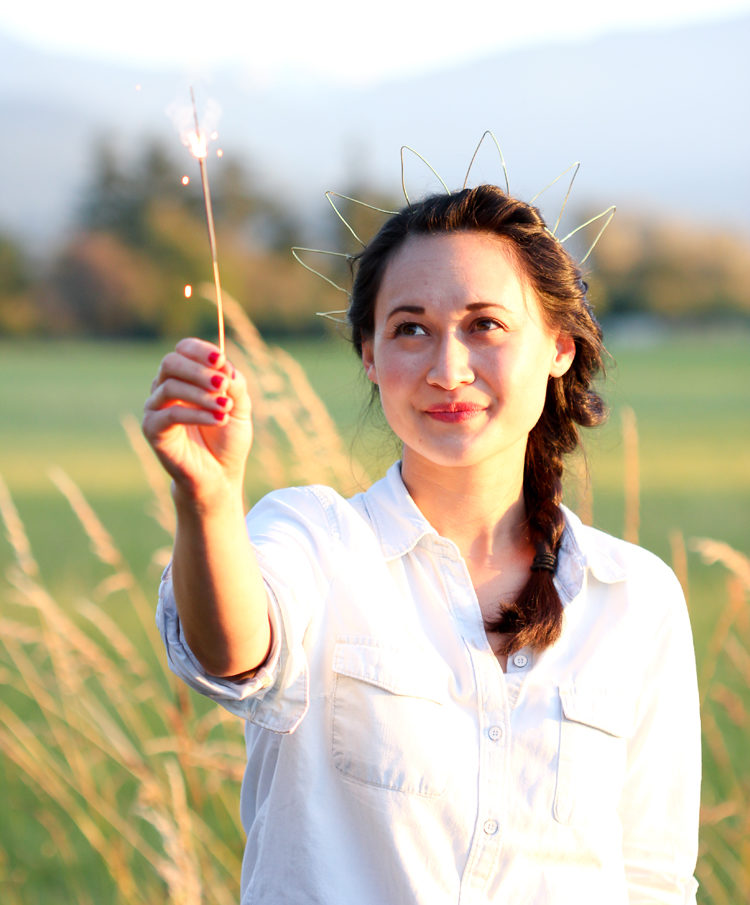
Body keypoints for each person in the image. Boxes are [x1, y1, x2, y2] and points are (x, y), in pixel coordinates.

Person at [143, 185, 701, 904]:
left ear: (558, 347)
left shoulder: (634, 597)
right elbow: (233, 653)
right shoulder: (312, 538)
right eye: (410, 329)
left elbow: (653, 878)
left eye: (485, 324)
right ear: (370, 355)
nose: (448, 369)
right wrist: (209, 497)